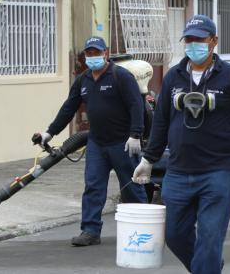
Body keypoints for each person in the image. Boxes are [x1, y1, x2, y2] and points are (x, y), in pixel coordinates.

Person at [132, 15, 230, 273]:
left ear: (213, 41)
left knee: (210, 239)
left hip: (218, 172)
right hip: (179, 173)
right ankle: (209, 266)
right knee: (173, 234)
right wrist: (148, 160)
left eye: (199, 39)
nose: (193, 44)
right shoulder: (174, 77)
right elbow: (161, 122)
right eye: (189, 40)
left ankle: (208, 264)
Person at [38, 36, 148, 246]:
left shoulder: (121, 76)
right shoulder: (83, 80)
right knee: (93, 187)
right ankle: (90, 231)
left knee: (131, 186)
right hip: (97, 143)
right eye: (89, 53)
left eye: (96, 53)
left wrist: (135, 135)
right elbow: (68, 108)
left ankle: (143, 227)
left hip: (123, 143)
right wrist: (49, 133)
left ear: (105, 53)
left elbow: (136, 106)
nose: (92, 57)